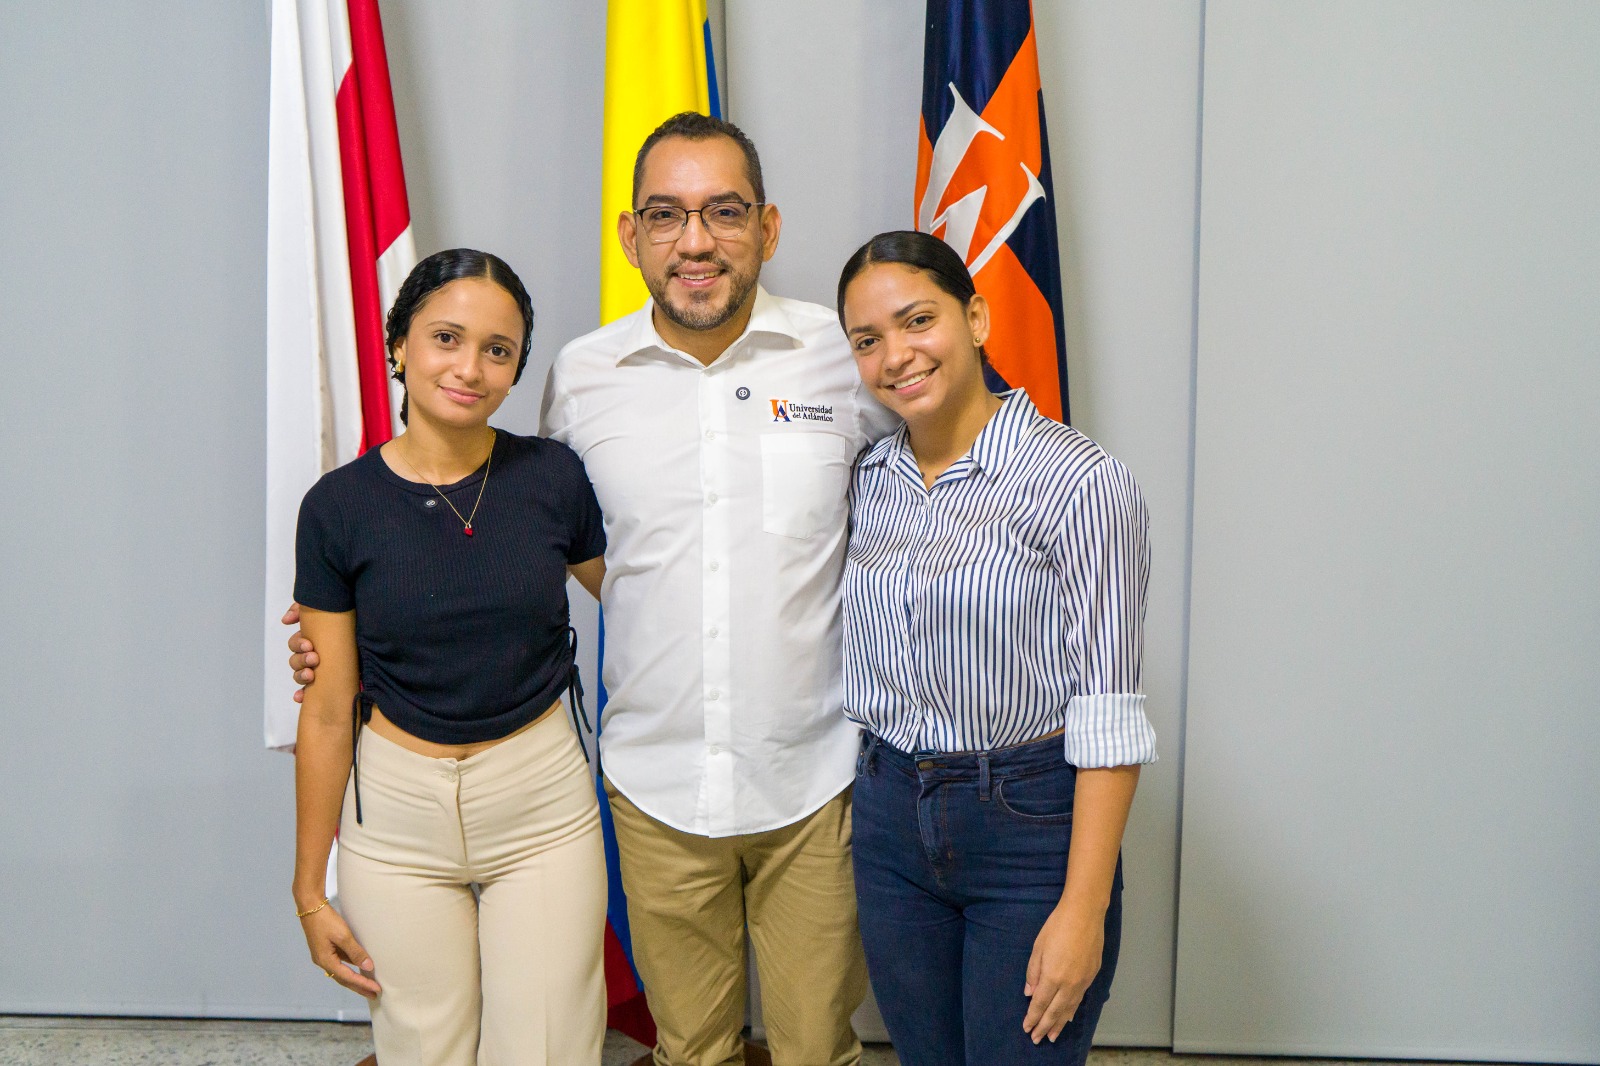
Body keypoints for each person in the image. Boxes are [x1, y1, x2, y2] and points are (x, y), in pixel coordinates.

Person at [288, 115, 895, 1066]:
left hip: (813, 776)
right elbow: (571, 557)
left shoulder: (843, 355)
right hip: (653, 783)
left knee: (818, 1048)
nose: (695, 240)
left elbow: (941, 487)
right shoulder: (583, 377)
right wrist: (357, 623)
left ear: (768, 230)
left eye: (724, 212)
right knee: (688, 1049)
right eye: (667, 215)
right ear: (632, 236)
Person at [835, 230, 1157, 1066]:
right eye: (867, 341)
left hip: (1027, 828)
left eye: (917, 321)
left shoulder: (1079, 482)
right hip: (890, 820)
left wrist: (1082, 909)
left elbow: (1108, 711)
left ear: (976, 316)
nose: (895, 356)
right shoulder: (867, 478)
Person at [290, 248, 609, 1066]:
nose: (470, 367)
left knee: (546, 1048)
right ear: (399, 345)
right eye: (446, 339)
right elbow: (327, 709)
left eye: (497, 351)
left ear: (515, 372)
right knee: (420, 1047)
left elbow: (645, 605)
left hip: (538, 799)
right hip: (394, 813)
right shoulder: (338, 508)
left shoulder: (553, 478)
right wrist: (307, 888)